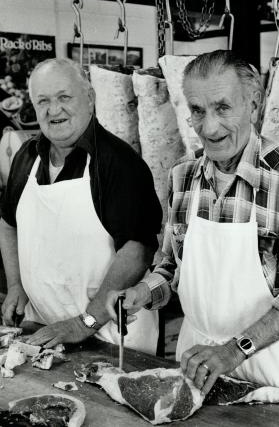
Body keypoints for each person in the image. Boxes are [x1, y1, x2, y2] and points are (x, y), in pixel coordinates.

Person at [107, 50, 279, 398]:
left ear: (253, 104)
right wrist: (141, 293)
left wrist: (232, 351)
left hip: (270, 368)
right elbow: (170, 269)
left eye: (223, 108)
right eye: (197, 110)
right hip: (194, 362)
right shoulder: (183, 175)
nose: (209, 127)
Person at [0, 58, 162, 354]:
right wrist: (15, 285)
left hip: (111, 337)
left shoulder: (120, 163)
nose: (54, 110)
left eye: (64, 97)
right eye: (43, 101)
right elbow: (8, 223)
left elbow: (138, 252)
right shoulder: (26, 156)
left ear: (89, 97)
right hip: (44, 329)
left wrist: (85, 322)